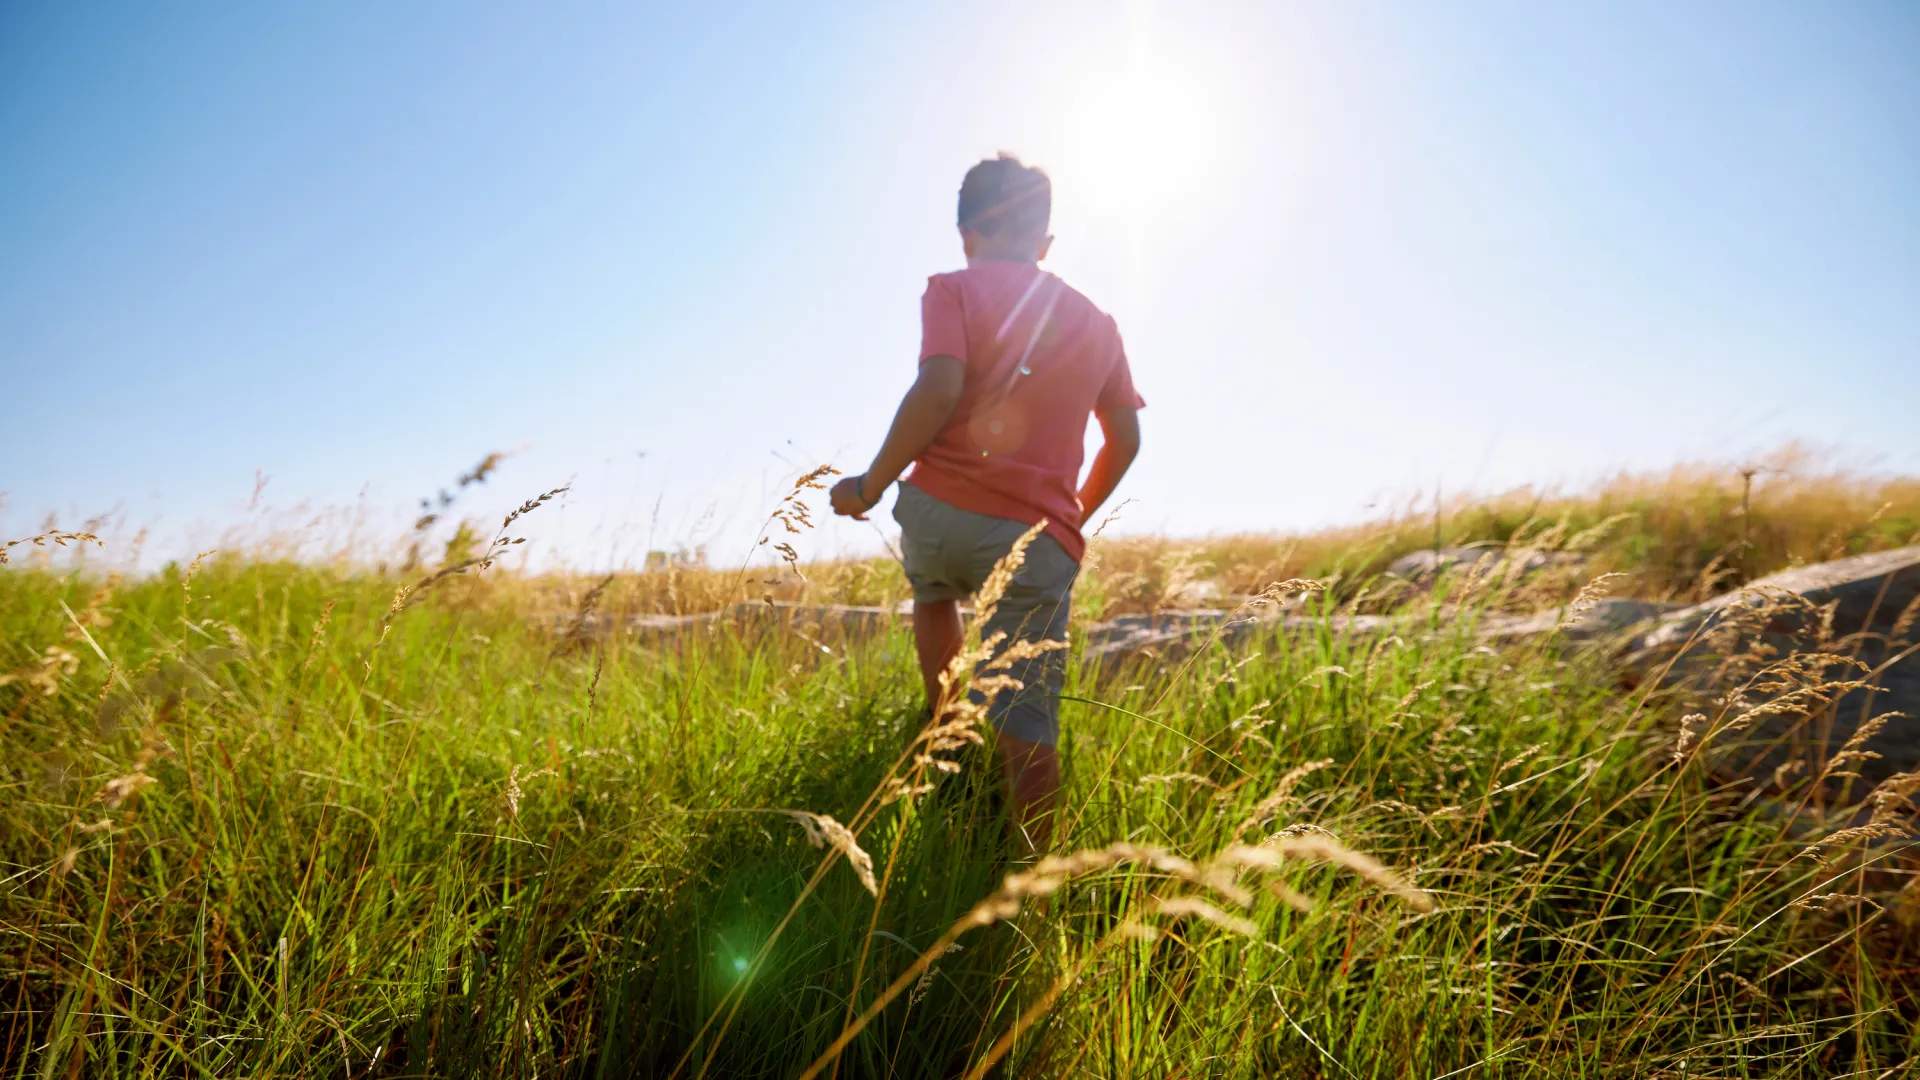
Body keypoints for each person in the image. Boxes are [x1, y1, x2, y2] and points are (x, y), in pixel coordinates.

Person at [829, 153, 1144, 852]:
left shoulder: (952, 289)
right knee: (1029, 717)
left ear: (966, 233)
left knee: (934, 595)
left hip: (937, 513)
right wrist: (1074, 516)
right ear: (1047, 243)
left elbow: (938, 387)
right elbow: (1124, 438)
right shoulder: (1098, 323)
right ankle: (1029, 871)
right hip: (1034, 539)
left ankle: (945, 728)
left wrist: (872, 483)